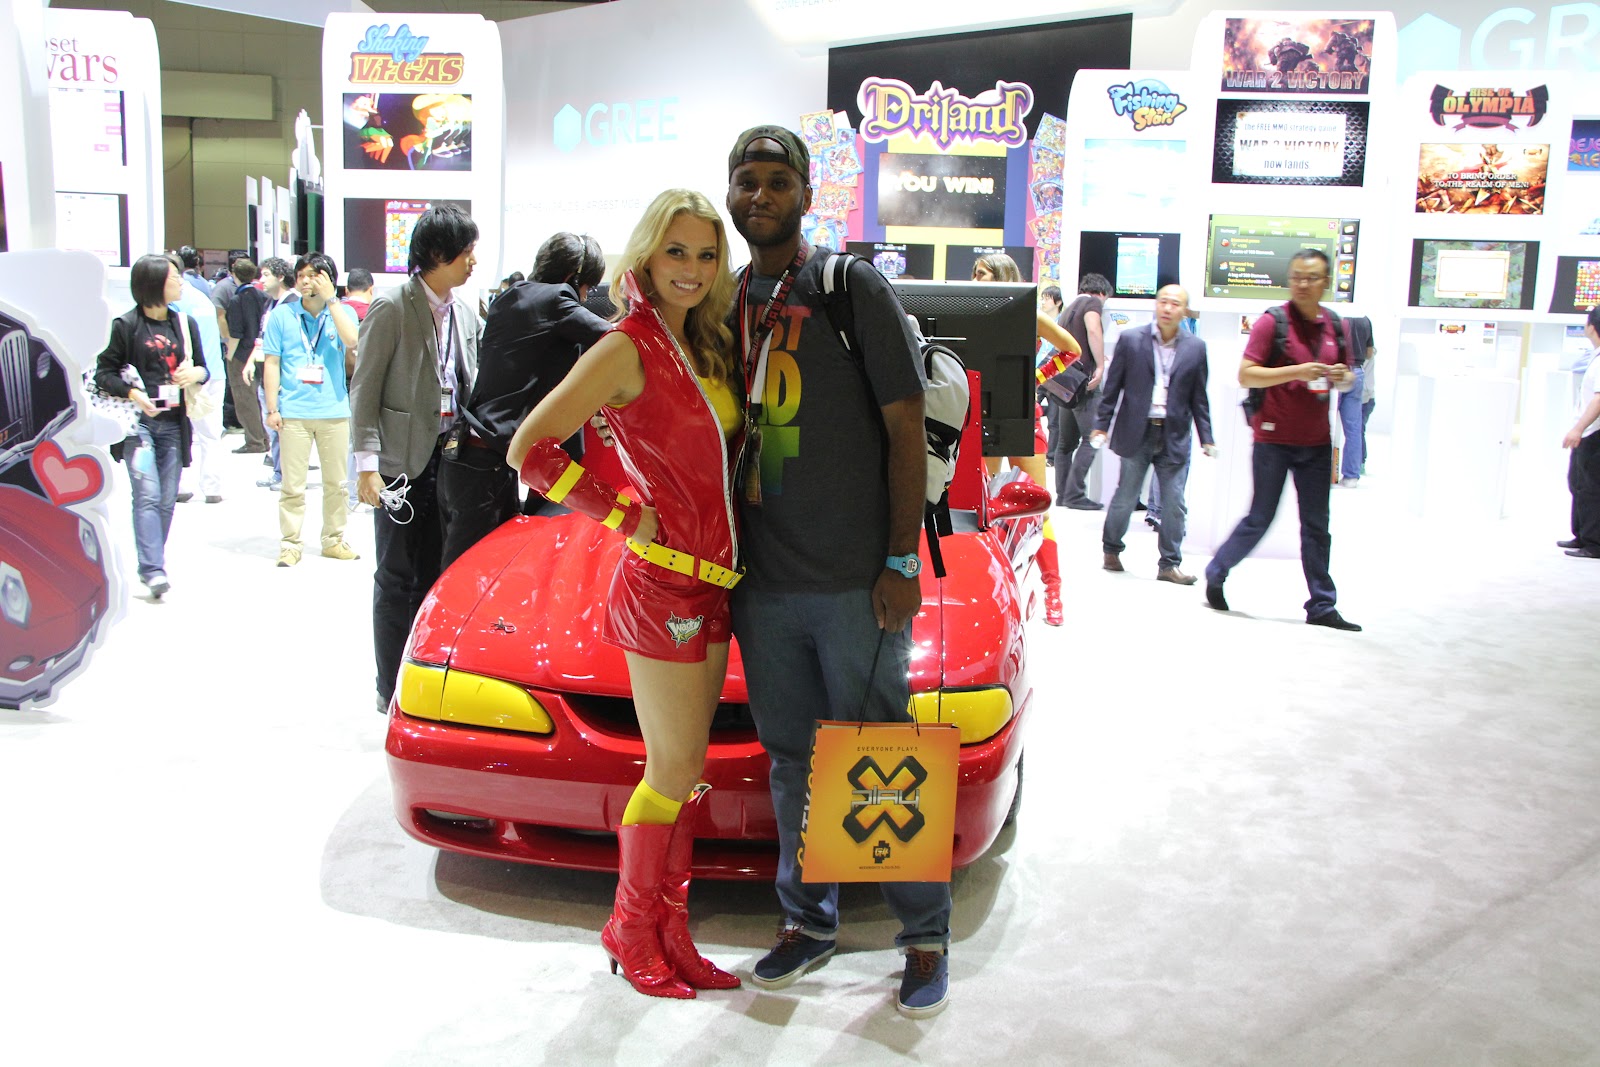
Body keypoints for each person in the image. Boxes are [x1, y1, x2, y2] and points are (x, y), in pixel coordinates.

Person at [724, 125, 949, 1018]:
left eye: (778, 180)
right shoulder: (724, 299)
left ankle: (924, 935)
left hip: (857, 581)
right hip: (763, 584)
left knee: (882, 753)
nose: (761, 195)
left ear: (806, 196)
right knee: (791, 758)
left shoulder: (849, 288)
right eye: (747, 179)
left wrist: (900, 559)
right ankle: (806, 922)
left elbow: (905, 426)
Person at [507, 189, 742, 1000]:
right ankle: (630, 925)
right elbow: (530, 447)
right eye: (677, 251)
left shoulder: (706, 344)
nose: (692, 269)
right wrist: (618, 512)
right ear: (645, 253)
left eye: (706, 254)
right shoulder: (626, 346)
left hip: (716, 586)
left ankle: (672, 930)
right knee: (671, 765)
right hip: (663, 583)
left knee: (687, 767)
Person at [350, 204, 482, 713]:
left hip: (449, 459)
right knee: (395, 576)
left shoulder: (464, 312)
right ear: (437, 254)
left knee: (434, 575)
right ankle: (389, 687)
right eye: (466, 252)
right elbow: (365, 390)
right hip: (398, 464)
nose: (473, 261)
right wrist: (367, 465)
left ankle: (421, 679)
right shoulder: (391, 307)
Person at [1203, 249, 1361, 630]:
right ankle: (1217, 570)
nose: (1303, 285)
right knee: (1260, 517)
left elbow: (1349, 377)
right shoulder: (1271, 323)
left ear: (1326, 282)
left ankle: (1322, 605)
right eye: (1296, 277)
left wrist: (1342, 377)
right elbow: (1246, 374)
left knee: (1317, 526)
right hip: (1272, 438)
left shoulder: (1336, 325)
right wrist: (1297, 371)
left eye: (1312, 278)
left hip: (1317, 443)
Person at [445, 233, 610, 566]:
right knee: (469, 569)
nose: (585, 298)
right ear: (573, 277)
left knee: (471, 563)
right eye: (588, 288)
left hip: (470, 452)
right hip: (490, 460)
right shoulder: (556, 298)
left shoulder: (511, 296)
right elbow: (617, 339)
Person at [93, 254, 210, 598]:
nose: (180, 282)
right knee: (147, 494)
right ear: (154, 283)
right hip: (138, 426)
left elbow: (204, 368)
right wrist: (133, 393)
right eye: (174, 277)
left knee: (166, 498)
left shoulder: (184, 324)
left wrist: (195, 373)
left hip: (174, 424)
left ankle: (152, 560)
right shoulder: (125, 325)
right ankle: (153, 569)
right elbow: (104, 373)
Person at [970, 251, 1072, 627]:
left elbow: (1072, 350)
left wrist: (1035, 378)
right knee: (986, 505)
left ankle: (1053, 589)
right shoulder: (969, 312)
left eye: (983, 273)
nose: (976, 279)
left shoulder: (1028, 312)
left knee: (1037, 507)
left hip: (1023, 416)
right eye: (975, 273)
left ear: (1002, 275)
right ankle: (995, 583)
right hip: (983, 415)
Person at [1091, 284, 1215, 584]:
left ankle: (1169, 564)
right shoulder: (1132, 339)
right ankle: (1111, 549)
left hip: (1174, 434)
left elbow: (1199, 397)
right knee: (1127, 495)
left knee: (1174, 502)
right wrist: (1101, 424)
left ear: (1184, 311)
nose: (1168, 308)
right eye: (1163, 301)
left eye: (1175, 303)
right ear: (1156, 305)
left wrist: (1207, 437)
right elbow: (1113, 387)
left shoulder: (1196, 348)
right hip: (1138, 429)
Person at [261, 252, 361, 568]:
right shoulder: (282, 315)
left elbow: (352, 341)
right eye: (302, 275)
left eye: (315, 275)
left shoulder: (343, 311)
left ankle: (334, 540)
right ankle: (290, 543)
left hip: (334, 410)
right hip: (293, 411)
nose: (306, 281)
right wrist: (272, 408)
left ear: (329, 279)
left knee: (337, 484)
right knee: (292, 486)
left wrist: (332, 300)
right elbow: (272, 363)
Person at [170, 254, 227, 504]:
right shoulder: (201, 296)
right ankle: (212, 487)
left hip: (189, 375)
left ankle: (179, 484)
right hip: (214, 371)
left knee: (180, 432)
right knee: (211, 434)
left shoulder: (175, 302)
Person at [1054, 273, 1112, 510]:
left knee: (1065, 443)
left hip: (1065, 381)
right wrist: (1100, 365)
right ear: (1102, 293)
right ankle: (1075, 494)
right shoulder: (1092, 303)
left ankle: (1062, 495)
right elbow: (1093, 330)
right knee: (1093, 437)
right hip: (1084, 382)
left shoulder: (1068, 309)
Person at [249, 257, 298, 488]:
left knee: (284, 428)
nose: (261, 279)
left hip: (281, 377)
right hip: (265, 374)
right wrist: (251, 360)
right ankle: (278, 471)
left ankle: (287, 474)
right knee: (273, 428)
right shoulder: (270, 304)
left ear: (280, 276)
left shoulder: (293, 304)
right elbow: (263, 339)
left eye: (266, 274)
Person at [1561, 306, 1600, 558]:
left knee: (1591, 488)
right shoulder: (1595, 357)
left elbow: (1598, 399)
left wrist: (1578, 428)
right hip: (1588, 434)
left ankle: (1594, 543)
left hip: (1593, 433)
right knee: (1577, 484)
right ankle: (1581, 535)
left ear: (1591, 327)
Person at [220, 259, 269, 454]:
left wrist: (229, 356)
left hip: (241, 354)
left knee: (244, 400)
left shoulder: (237, 300)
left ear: (234, 274)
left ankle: (254, 441)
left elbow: (235, 334)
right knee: (261, 398)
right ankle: (265, 438)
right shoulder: (263, 296)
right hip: (261, 353)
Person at [1336, 315, 1375, 487]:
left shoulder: (1336, 315)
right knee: (1353, 428)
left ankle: (1326, 473)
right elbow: (1369, 352)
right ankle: (1351, 476)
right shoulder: (1365, 320)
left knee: (1326, 424)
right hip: (1357, 372)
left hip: (1336, 371)